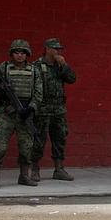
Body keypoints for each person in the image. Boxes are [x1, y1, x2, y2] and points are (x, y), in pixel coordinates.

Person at [0, 39, 42, 189]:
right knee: (0, 146)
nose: (19, 55)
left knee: (26, 147)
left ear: (27, 54)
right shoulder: (4, 68)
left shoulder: (34, 70)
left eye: (23, 52)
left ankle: (24, 176)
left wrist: (30, 108)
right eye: (16, 52)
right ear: (12, 54)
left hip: (25, 114)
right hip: (7, 114)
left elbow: (38, 92)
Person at [31, 38, 76, 182]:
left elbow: (72, 79)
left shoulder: (60, 65)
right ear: (47, 49)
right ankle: (35, 169)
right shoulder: (36, 65)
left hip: (58, 109)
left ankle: (59, 169)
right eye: (55, 49)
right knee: (39, 139)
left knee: (60, 138)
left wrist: (64, 65)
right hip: (42, 109)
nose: (58, 52)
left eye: (59, 49)